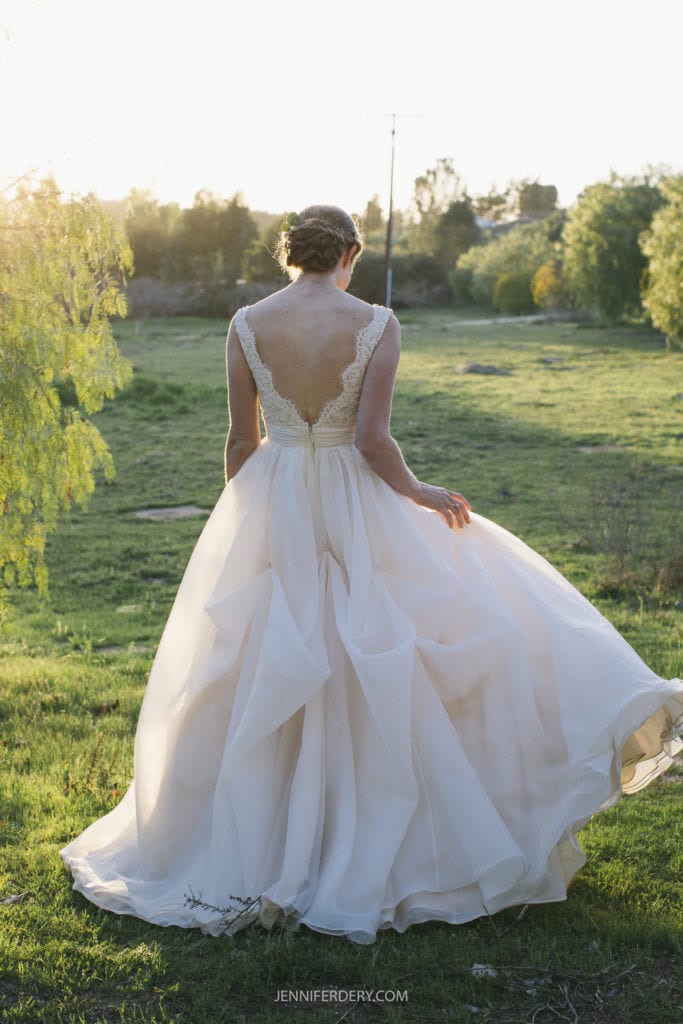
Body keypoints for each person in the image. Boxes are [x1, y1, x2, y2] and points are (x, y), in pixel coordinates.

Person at [61, 204, 683, 944]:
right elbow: (372, 440)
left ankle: (250, 838)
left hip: (273, 494)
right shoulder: (376, 322)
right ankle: (381, 837)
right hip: (357, 498)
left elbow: (238, 440)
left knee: (263, 654)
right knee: (380, 643)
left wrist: (244, 519)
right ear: (349, 252)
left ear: (286, 254)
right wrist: (419, 495)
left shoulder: (244, 323)